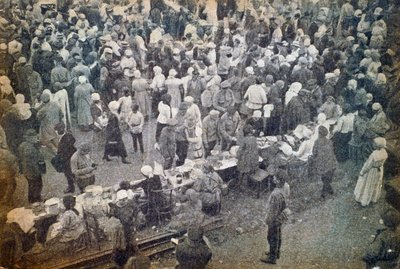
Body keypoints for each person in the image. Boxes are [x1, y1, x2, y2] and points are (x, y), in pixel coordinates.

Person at [260, 171, 289, 265]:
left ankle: (272, 258)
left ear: (278, 181)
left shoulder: (275, 194)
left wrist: (268, 220)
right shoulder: (284, 188)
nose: (273, 178)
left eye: (275, 178)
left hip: (274, 219)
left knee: (271, 237)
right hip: (281, 216)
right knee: (278, 236)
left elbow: (273, 210)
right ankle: (276, 252)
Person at [354, 137, 388, 207]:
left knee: (367, 184)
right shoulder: (384, 152)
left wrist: (362, 172)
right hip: (379, 170)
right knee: (375, 184)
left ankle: (364, 200)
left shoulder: (374, 154)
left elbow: (368, 165)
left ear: (377, 146)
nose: (373, 144)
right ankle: (373, 198)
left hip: (372, 171)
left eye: (374, 144)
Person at [18, 129, 45, 203]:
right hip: (33, 171)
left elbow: (20, 159)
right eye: (34, 137)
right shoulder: (30, 149)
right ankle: (36, 201)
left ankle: (33, 200)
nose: (36, 138)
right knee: (37, 186)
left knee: (32, 186)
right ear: (29, 138)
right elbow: (31, 163)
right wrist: (37, 172)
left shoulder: (22, 145)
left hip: (26, 171)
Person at [311, 126, 337, 199]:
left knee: (324, 177)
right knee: (327, 177)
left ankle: (323, 193)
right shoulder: (329, 141)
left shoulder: (317, 142)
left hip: (322, 164)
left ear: (319, 133)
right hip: (331, 163)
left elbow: (314, 153)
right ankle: (329, 188)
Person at [54, 122, 77, 194]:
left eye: (57, 130)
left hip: (66, 160)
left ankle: (71, 188)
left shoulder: (64, 139)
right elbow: (73, 141)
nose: (57, 131)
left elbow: (64, 151)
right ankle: (74, 183)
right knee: (72, 173)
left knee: (68, 175)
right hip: (71, 157)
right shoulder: (68, 135)